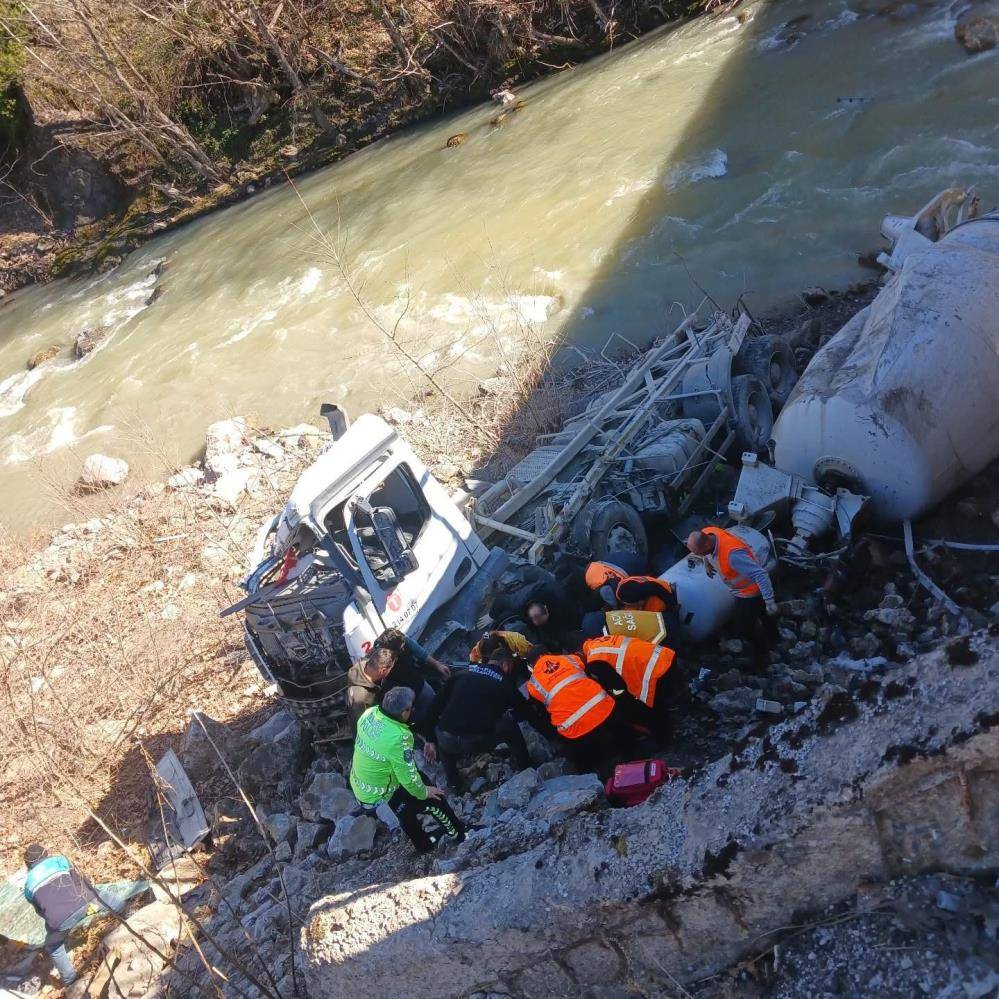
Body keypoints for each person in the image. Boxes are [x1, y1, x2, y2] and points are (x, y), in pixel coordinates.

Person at [350, 687, 465, 853]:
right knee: (434, 800)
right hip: (379, 789)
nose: (414, 710)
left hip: (361, 782)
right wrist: (424, 792)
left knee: (403, 808)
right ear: (404, 711)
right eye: (411, 707)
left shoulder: (370, 713)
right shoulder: (399, 737)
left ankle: (423, 845)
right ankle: (459, 835)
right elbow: (409, 778)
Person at [422, 640, 534, 790]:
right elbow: (525, 712)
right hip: (477, 740)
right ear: (506, 665)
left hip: (449, 741)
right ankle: (526, 766)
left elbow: (434, 707)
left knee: (444, 735)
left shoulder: (462, 673)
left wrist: (430, 739)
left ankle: (454, 784)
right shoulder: (504, 684)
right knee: (510, 726)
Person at [526, 648, 640, 778]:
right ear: (547, 654)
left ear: (531, 665)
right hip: (603, 708)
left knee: (581, 758)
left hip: (575, 729)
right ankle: (634, 756)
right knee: (622, 734)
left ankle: (593, 778)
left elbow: (543, 715)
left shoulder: (533, 684)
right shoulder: (569, 659)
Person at [686, 527, 779, 669]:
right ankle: (775, 638)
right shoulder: (709, 532)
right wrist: (707, 561)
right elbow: (705, 547)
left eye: (698, 553)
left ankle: (761, 657)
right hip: (744, 591)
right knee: (764, 614)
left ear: (705, 545)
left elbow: (760, 574)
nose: (698, 555)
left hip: (748, 592)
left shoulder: (732, 555)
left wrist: (769, 600)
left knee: (744, 627)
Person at [22, 845, 106, 984]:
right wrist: (92, 896)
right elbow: (81, 881)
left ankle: (70, 980)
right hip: (85, 902)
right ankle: (127, 913)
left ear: (28, 864)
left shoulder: (27, 886)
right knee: (110, 901)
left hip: (59, 920)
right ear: (46, 854)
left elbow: (40, 911)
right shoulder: (59, 860)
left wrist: (56, 922)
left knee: (53, 946)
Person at [581, 635, 679, 742]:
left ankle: (664, 738)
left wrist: (618, 701)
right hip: (664, 655)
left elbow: (617, 687)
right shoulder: (600, 642)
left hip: (654, 671)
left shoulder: (594, 661)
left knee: (653, 708)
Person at [374, 628, 451, 723]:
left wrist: (437, 665)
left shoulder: (399, 639)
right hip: (400, 695)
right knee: (420, 719)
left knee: (434, 703)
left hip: (418, 684)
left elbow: (419, 652)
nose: (403, 649)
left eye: (404, 646)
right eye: (401, 648)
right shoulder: (380, 658)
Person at [345, 648, 395, 733]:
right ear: (383, 670)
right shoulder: (359, 698)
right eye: (389, 670)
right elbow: (366, 728)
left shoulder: (366, 665)